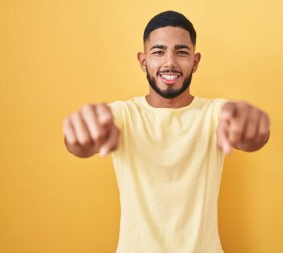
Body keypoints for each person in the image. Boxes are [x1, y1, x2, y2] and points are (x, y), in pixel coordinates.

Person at [62, 10, 270, 253]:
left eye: (181, 52)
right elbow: (79, 145)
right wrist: (81, 134)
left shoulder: (214, 113)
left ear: (195, 61)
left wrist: (251, 128)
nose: (170, 62)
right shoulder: (124, 115)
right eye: (158, 52)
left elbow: (250, 136)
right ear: (143, 61)